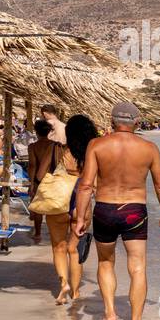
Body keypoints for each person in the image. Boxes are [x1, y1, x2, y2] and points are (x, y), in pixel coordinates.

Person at [73, 102, 160, 320]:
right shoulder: (149, 148)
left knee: (105, 262)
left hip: (105, 210)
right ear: (137, 123)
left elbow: (86, 185)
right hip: (134, 212)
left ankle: (110, 312)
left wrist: (80, 218)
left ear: (112, 121)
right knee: (137, 267)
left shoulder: (96, 145)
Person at [60, 114, 100, 305]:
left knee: (59, 247)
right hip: (82, 203)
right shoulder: (94, 152)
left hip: (61, 201)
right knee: (74, 249)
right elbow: (96, 184)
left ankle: (63, 284)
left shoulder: (64, 152)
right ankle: (75, 292)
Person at [27, 118, 58, 245]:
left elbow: (32, 165)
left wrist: (31, 184)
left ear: (36, 131)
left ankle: (38, 233)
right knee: (53, 207)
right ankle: (54, 233)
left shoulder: (33, 147)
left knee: (38, 208)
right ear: (49, 132)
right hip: (53, 178)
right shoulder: (55, 145)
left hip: (38, 179)